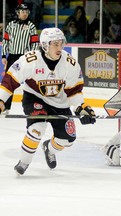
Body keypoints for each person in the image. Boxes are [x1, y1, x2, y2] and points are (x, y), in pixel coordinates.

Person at [0, 27, 96, 175]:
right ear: (45, 45)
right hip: (35, 97)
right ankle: (24, 161)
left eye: (61, 43)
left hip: (60, 102)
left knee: (68, 139)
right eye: (55, 44)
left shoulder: (70, 63)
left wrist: (81, 107)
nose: (59, 47)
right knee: (37, 127)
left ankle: (48, 149)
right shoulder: (30, 60)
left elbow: (74, 90)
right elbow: (10, 80)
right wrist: (1, 100)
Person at [1, 3, 39, 114]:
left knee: (31, 80)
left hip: (25, 57)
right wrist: (4, 55)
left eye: (27, 12)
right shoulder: (11, 25)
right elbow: (6, 41)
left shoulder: (31, 26)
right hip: (12, 56)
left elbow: (35, 42)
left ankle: (32, 105)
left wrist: (34, 56)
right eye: (23, 11)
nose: (25, 13)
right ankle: (6, 106)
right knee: (9, 81)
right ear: (18, 13)